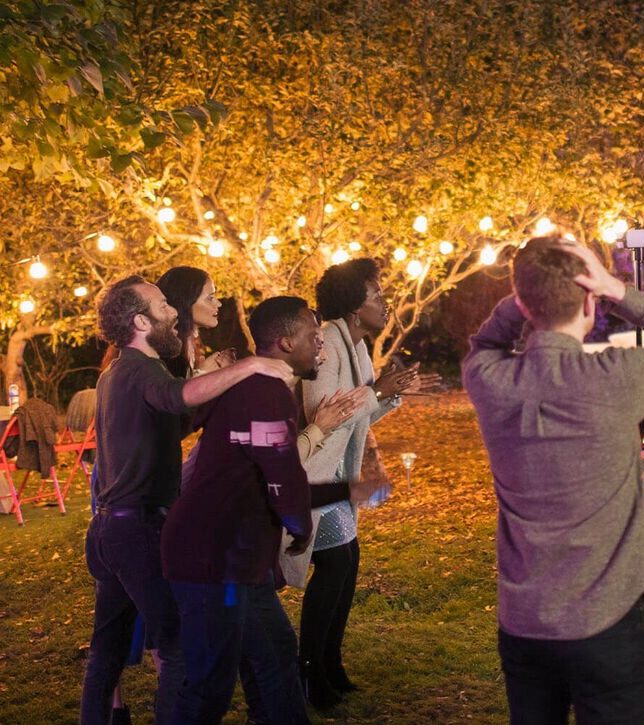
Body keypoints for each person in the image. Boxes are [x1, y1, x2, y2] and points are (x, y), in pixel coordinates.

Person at [463, 236, 644, 724]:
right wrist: (617, 288)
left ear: (523, 304)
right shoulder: (613, 377)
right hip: (606, 618)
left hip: (524, 620)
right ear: (590, 300)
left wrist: (525, 298)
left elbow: (484, 342)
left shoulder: (489, 378)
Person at [81, 275, 293, 725]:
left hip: (108, 530)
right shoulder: (141, 369)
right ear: (141, 321)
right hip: (137, 530)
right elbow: (177, 397)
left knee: (108, 651)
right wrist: (248, 367)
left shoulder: (118, 373)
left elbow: (168, 424)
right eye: (162, 306)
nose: (173, 312)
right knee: (178, 649)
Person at [162, 296, 325, 724]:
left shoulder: (259, 388)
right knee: (210, 684)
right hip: (213, 558)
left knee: (273, 652)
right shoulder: (266, 392)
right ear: (287, 343)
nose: (321, 343)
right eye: (313, 335)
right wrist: (300, 524)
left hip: (235, 558)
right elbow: (281, 469)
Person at [298, 258, 433, 709]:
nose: (385, 301)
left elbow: (360, 416)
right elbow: (325, 414)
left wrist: (390, 393)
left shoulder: (354, 345)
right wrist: (375, 392)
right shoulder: (330, 345)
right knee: (335, 567)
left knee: (346, 564)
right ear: (355, 307)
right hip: (316, 472)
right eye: (376, 294)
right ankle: (311, 673)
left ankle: (330, 664)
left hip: (339, 472)